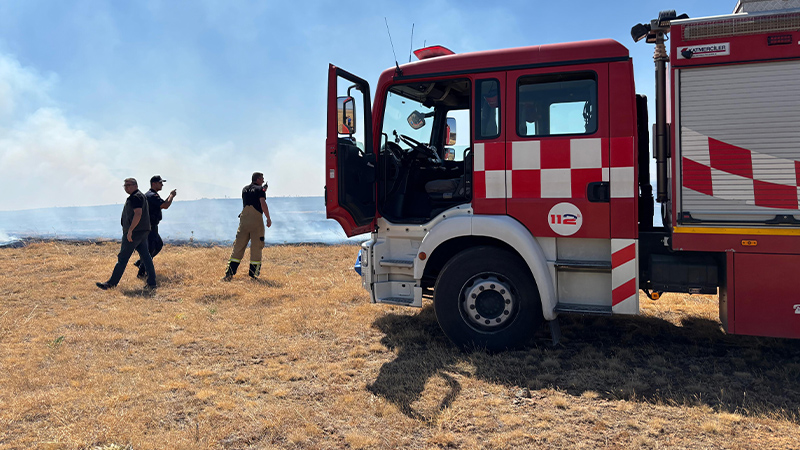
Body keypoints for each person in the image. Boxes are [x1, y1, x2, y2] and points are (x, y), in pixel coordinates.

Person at [96, 178, 157, 290]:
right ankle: (152, 283)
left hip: (134, 233)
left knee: (123, 258)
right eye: (125, 185)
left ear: (135, 185)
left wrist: (130, 230)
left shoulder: (135, 197)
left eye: (129, 185)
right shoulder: (140, 196)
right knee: (146, 257)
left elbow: (138, 214)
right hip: (142, 232)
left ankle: (111, 284)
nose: (126, 187)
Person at [222, 172, 272, 281]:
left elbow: (251, 196)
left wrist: (262, 189)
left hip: (244, 221)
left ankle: (229, 274)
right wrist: (268, 218)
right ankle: (253, 275)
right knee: (256, 247)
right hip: (256, 222)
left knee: (238, 247)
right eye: (262, 179)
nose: (263, 181)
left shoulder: (244, 189)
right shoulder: (260, 190)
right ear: (258, 179)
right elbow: (262, 203)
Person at [134, 175, 176, 279]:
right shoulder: (151, 195)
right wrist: (171, 195)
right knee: (151, 248)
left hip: (151, 226)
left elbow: (162, 204)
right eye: (160, 183)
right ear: (154, 184)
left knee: (158, 245)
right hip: (149, 227)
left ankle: (141, 263)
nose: (162, 185)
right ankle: (141, 272)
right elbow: (165, 205)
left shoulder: (152, 195)